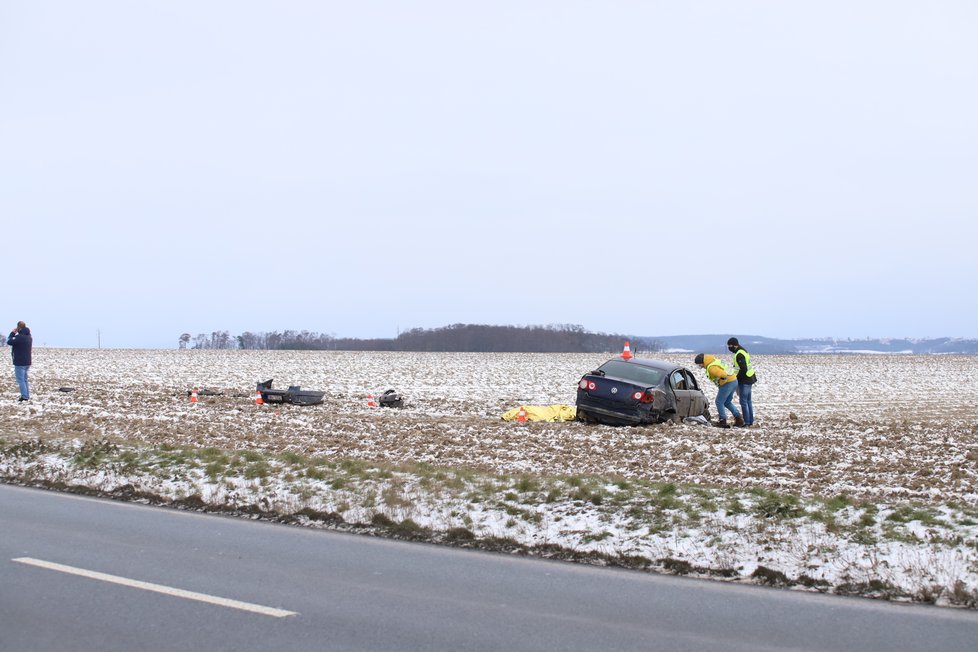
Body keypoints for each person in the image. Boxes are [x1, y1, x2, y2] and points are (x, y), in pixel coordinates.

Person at [694, 352, 743, 428]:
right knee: (727, 402)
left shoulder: (711, 368)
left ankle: (722, 421)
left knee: (719, 401)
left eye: (699, 364)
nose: (699, 366)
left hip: (728, 382)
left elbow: (723, 375)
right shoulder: (713, 361)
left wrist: (722, 383)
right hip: (734, 381)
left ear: (702, 362)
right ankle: (739, 419)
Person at [727, 337, 757, 427]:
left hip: (745, 380)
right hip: (750, 378)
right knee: (748, 401)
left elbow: (743, 369)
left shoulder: (739, 354)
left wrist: (735, 378)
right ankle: (750, 421)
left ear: (734, 345)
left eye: (730, 346)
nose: (729, 348)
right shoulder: (743, 351)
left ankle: (747, 422)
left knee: (743, 402)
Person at [7, 321, 32, 401]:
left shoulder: (19, 337)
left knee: (20, 380)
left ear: (19, 328)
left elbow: (9, 341)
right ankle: (26, 395)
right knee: (25, 380)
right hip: (27, 361)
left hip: (19, 361)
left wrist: (12, 333)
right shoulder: (29, 337)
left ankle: (24, 396)